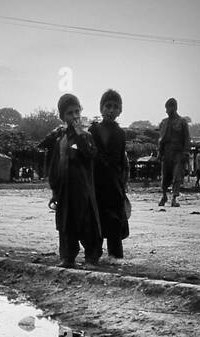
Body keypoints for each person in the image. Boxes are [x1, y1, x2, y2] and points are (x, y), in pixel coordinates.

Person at [37, 93, 102, 269]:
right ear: (62, 117)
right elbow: (55, 167)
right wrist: (54, 191)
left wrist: (81, 135)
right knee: (66, 225)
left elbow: (91, 154)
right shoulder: (61, 140)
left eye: (76, 112)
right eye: (69, 113)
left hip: (83, 190)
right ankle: (68, 257)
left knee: (87, 223)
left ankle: (91, 257)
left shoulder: (86, 136)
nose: (74, 116)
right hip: (65, 192)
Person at [88, 89, 130, 260]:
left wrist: (123, 184)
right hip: (95, 183)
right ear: (101, 108)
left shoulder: (121, 134)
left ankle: (115, 256)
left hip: (114, 184)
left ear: (120, 110)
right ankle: (93, 254)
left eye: (115, 107)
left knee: (114, 221)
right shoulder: (92, 131)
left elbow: (122, 161)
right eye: (108, 106)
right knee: (95, 219)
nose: (111, 110)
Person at [158, 97, 190, 207]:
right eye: (166, 108)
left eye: (168, 108)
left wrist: (186, 152)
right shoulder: (164, 122)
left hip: (178, 153)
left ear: (174, 108)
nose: (167, 111)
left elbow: (187, 138)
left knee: (177, 176)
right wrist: (159, 152)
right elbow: (160, 139)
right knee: (165, 176)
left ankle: (174, 198)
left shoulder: (182, 122)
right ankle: (164, 196)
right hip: (166, 153)